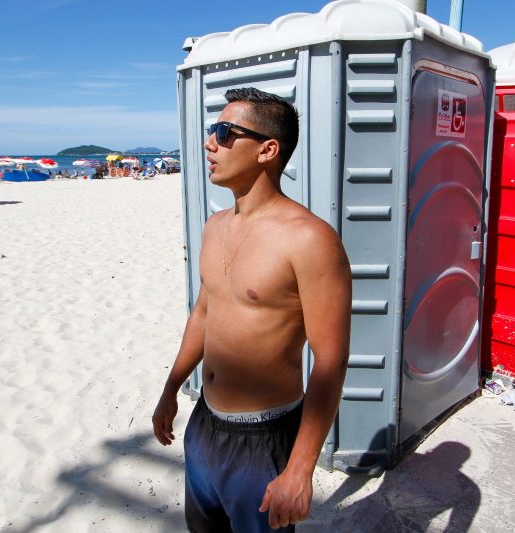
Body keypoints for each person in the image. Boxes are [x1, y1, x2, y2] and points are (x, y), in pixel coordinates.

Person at [152, 87, 352, 532]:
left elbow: (331, 359)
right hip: (204, 423)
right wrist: (171, 388)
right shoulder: (215, 225)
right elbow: (204, 313)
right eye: (213, 130)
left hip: (263, 438)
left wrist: (300, 470)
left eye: (224, 132)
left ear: (267, 150)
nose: (210, 143)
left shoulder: (310, 239)